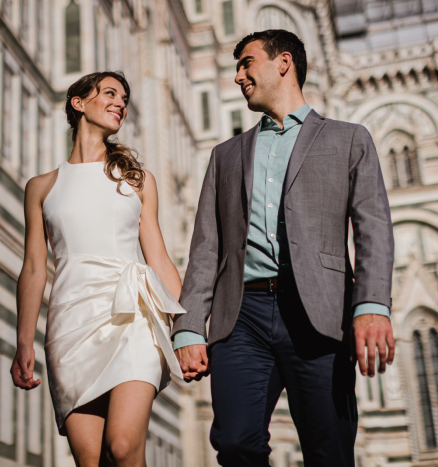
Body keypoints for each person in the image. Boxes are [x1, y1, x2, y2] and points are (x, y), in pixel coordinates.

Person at [172, 30, 395, 466]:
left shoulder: (349, 139)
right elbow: (205, 247)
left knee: (328, 449)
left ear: (283, 62)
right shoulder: (225, 155)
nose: (238, 75)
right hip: (241, 318)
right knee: (235, 444)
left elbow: (374, 228)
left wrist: (372, 305)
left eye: (246, 63)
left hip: (320, 314)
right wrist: (189, 325)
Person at [11, 71, 185, 467]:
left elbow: (157, 257)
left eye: (124, 98)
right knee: (91, 462)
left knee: (123, 447)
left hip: (134, 318)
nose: (120, 103)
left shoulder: (138, 180)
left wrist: (190, 330)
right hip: (71, 325)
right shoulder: (41, 187)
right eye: (110, 93)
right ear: (78, 103)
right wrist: (24, 342)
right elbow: (35, 268)